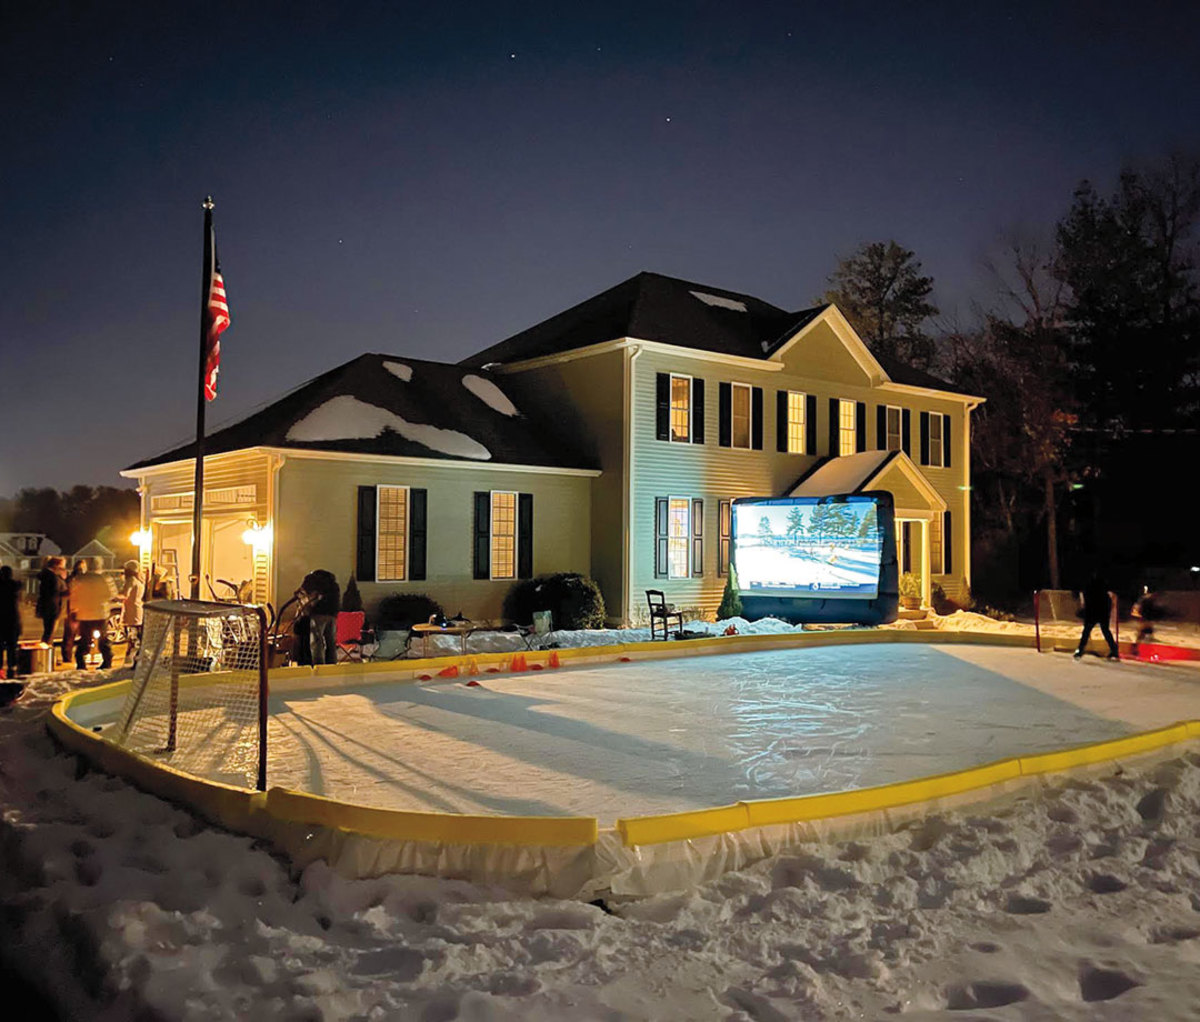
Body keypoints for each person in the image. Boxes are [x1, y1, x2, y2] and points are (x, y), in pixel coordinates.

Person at [71, 558, 116, 670]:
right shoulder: (105, 578)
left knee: (84, 639)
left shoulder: (80, 579)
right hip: (100, 612)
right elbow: (111, 594)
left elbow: (73, 595)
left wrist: (74, 608)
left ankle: (80, 663)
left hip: (84, 613)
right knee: (103, 639)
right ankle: (107, 660)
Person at [1075, 571, 1119, 660]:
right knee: (1105, 631)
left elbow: (1087, 602)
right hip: (1102, 613)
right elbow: (1108, 603)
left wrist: (1085, 612)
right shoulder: (1104, 593)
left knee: (1086, 632)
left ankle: (1080, 650)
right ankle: (1114, 651)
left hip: (1092, 613)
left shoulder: (1089, 590)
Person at [300, 569, 340, 665]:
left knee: (317, 642)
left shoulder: (312, 581)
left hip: (318, 614)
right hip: (332, 614)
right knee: (331, 641)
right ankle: (332, 663)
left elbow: (305, 593)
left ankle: (319, 664)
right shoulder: (333, 583)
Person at [61, 559, 90, 664]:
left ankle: (73, 656)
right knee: (71, 635)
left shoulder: (75, 579)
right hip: (74, 610)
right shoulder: (76, 579)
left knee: (74, 635)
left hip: (78, 609)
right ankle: (69, 657)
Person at [117, 561, 145, 664]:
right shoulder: (139, 580)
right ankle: (135, 658)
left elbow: (125, 595)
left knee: (131, 637)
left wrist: (113, 597)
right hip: (138, 610)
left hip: (130, 612)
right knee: (137, 636)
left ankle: (130, 659)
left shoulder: (131, 580)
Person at [36, 556, 68, 646]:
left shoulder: (50, 576)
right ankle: (45, 651)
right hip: (52, 607)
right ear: (56, 565)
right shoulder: (52, 577)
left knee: (49, 631)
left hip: (51, 607)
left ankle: (47, 649)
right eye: (62, 566)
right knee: (49, 632)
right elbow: (55, 591)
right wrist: (68, 592)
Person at [0, 566, 21, 680]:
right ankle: (12, 668)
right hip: (12, 620)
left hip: (1, 619)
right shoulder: (14, 586)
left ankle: (0, 669)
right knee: (12, 646)